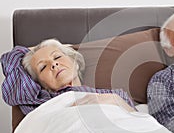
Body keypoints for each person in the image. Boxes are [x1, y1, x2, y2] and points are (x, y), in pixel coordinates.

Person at [1, 39, 135, 115]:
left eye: (57, 56)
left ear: (75, 62)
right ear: (42, 85)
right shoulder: (39, 101)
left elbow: (139, 122)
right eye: (43, 67)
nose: (53, 64)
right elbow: (10, 58)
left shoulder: (113, 95)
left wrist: (111, 100)